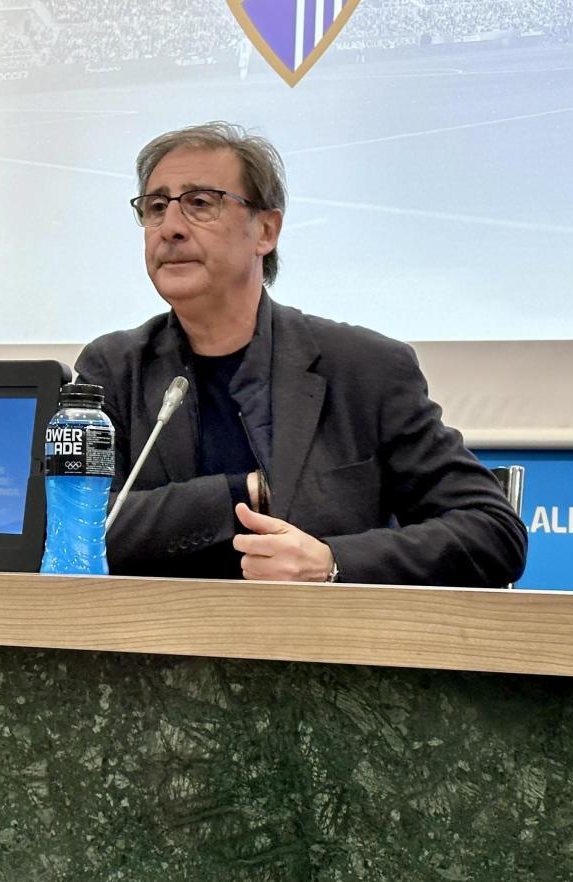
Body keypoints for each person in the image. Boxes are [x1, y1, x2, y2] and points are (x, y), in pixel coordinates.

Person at [74, 122, 527, 587]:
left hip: (327, 650)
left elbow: (492, 532)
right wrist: (239, 493)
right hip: (158, 645)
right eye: (155, 208)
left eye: (200, 204)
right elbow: (73, 532)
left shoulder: (364, 369)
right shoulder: (113, 369)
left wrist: (331, 562)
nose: (169, 228)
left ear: (265, 230)